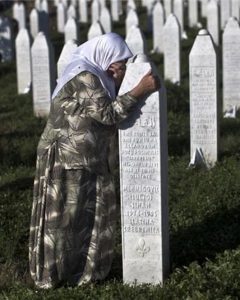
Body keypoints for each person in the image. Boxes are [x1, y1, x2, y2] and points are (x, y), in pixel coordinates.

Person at [29, 32, 160, 288]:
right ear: (104, 56)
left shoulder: (97, 74)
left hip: (86, 157)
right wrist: (139, 89)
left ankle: (80, 271)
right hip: (66, 158)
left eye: (121, 64)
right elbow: (108, 114)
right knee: (64, 219)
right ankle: (53, 275)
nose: (119, 68)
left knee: (83, 218)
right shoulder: (85, 75)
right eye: (117, 62)